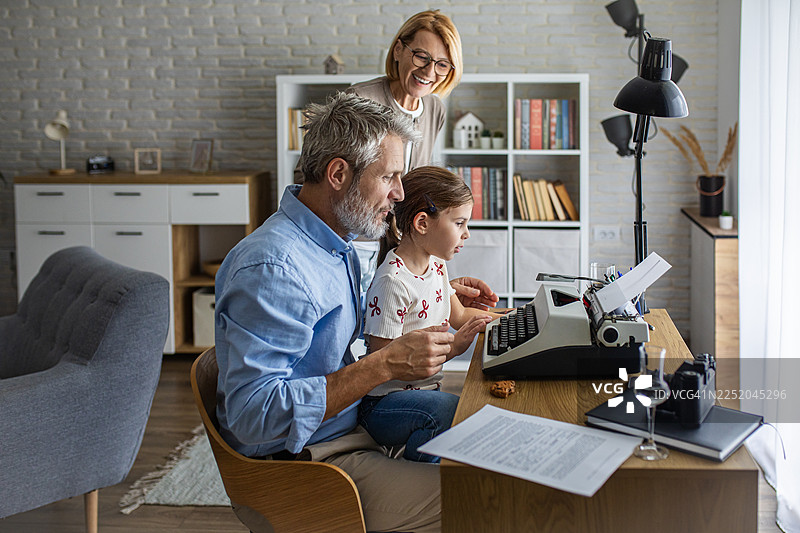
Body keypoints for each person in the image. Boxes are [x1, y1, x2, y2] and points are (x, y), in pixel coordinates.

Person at [215, 92, 448, 533]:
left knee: (461, 425)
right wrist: (382, 366)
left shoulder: (333, 242)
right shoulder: (275, 268)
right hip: (306, 464)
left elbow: (332, 329)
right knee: (488, 492)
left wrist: (444, 296)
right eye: (390, 177)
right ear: (339, 173)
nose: (399, 194)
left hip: (344, 428)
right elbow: (251, 416)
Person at [360, 167, 505, 463]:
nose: (467, 233)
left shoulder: (436, 265)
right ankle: (420, 475)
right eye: (460, 223)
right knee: (448, 411)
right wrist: (454, 348)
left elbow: (461, 316)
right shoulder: (392, 282)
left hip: (422, 392)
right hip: (384, 404)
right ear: (423, 223)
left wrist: (521, 316)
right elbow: (384, 363)